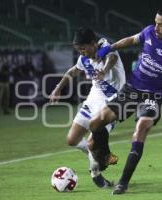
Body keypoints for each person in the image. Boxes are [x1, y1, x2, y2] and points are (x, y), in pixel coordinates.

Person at [87, 7, 162, 195]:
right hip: (131, 90)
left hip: (153, 97)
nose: (156, 27)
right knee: (95, 123)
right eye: (155, 23)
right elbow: (131, 40)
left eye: (161, 25)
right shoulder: (149, 32)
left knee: (141, 128)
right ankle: (105, 156)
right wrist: (109, 48)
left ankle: (123, 182)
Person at [49, 27, 126, 188]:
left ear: (93, 43)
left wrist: (104, 71)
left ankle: (96, 174)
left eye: (83, 48)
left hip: (113, 103)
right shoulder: (84, 58)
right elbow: (73, 71)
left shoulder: (105, 47)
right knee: (72, 140)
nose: (81, 52)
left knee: (92, 142)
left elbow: (111, 58)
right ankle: (99, 154)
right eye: (78, 50)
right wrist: (58, 88)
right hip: (93, 99)